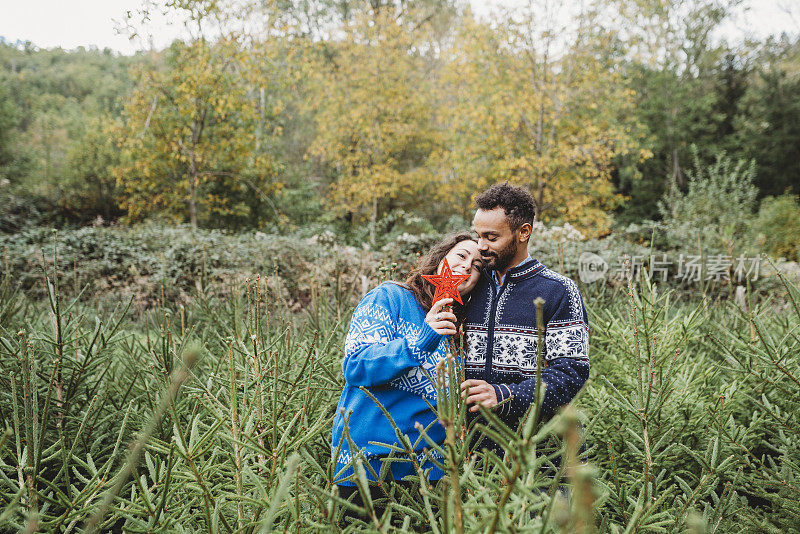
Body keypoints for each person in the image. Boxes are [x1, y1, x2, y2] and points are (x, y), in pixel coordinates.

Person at [331, 233, 483, 516]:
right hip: (367, 463)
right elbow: (356, 365)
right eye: (461, 256)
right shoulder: (389, 297)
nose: (467, 267)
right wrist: (421, 340)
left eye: (477, 266)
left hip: (429, 475)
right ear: (440, 259)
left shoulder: (461, 329)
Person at [459, 183, 590, 451]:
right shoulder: (470, 284)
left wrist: (506, 395)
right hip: (473, 451)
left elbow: (572, 371)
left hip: (540, 453)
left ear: (523, 232)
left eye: (491, 237)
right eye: (478, 235)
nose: (480, 246)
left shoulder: (559, 290)